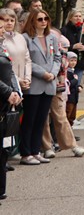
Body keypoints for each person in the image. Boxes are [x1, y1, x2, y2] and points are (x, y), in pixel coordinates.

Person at [19, 9, 60, 165]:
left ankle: (36, 151)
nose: (44, 22)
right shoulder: (26, 38)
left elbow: (57, 57)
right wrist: (43, 73)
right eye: (40, 19)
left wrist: (53, 73)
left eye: (46, 19)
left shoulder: (52, 37)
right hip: (34, 83)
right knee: (30, 119)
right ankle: (26, 153)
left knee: (41, 120)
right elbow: (26, 60)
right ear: (32, 21)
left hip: (49, 83)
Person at [0, 39, 22, 196]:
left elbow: (10, 72)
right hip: (4, 96)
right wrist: (8, 92)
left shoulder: (2, 47)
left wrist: (16, 91)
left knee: (3, 150)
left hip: (4, 104)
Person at [60, 10, 84, 86]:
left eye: (80, 16)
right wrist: (73, 46)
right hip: (67, 64)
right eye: (76, 16)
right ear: (70, 18)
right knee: (68, 85)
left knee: (76, 86)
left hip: (79, 63)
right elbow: (60, 47)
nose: (78, 18)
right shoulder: (64, 30)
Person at [65, 52, 80, 125]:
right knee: (68, 114)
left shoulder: (72, 71)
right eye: (71, 60)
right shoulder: (67, 72)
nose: (73, 62)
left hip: (74, 97)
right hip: (70, 98)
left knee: (72, 116)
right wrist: (75, 80)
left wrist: (79, 87)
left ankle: (70, 129)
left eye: (75, 61)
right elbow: (68, 84)